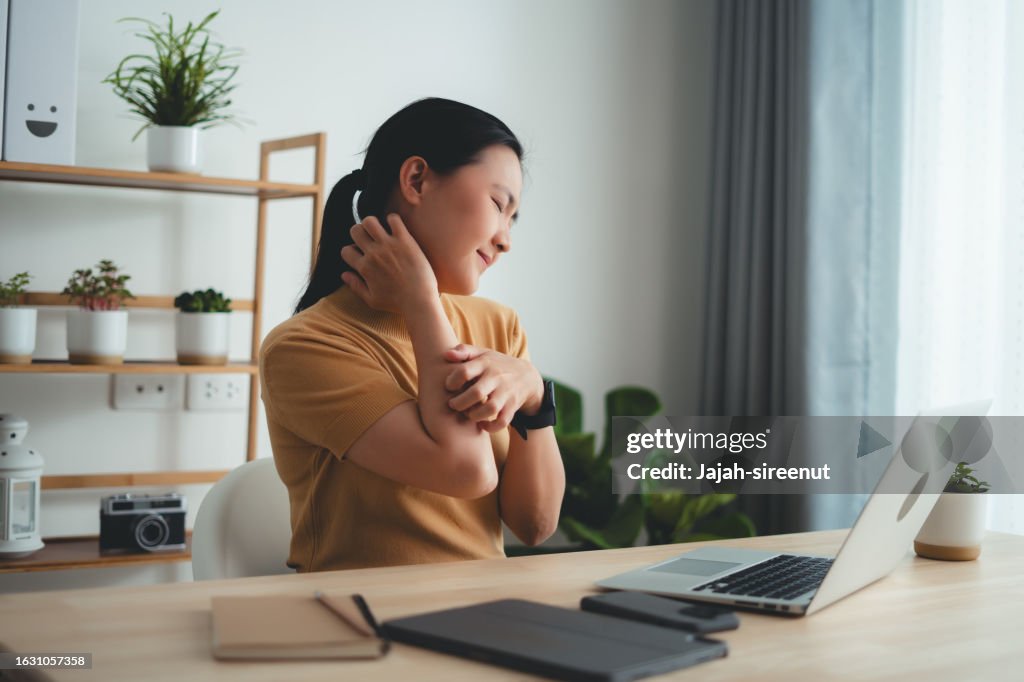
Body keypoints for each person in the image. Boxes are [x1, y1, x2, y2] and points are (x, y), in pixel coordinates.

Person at [259, 97, 566, 572]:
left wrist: (532, 393)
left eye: (513, 219)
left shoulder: (498, 327)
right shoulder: (302, 347)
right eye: (497, 205)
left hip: (485, 614)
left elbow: (535, 523)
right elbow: (467, 471)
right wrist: (421, 302)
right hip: (359, 623)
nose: (506, 238)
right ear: (417, 180)